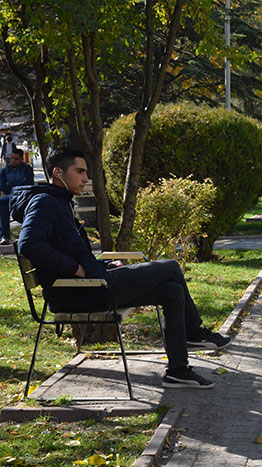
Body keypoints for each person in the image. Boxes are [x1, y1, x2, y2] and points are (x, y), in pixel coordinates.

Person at [10, 147, 229, 389]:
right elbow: (28, 243)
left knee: (172, 291)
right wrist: (77, 270)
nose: (86, 178)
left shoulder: (58, 201)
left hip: (91, 285)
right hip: (79, 292)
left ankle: (178, 370)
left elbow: (71, 249)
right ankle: (195, 334)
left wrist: (104, 264)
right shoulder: (44, 203)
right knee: (170, 266)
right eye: (80, 171)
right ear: (58, 172)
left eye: (86, 172)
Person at [1, 148, 34, 245]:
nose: (13, 161)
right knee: (2, 204)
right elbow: (3, 186)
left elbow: (28, 183)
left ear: (21, 159)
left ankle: (26, 234)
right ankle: (5, 236)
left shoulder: (26, 169)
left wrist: (13, 187)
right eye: (12, 158)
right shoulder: (5, 170)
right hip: (11, 195)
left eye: (16, 159)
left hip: (24, 194)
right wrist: (16, 187)